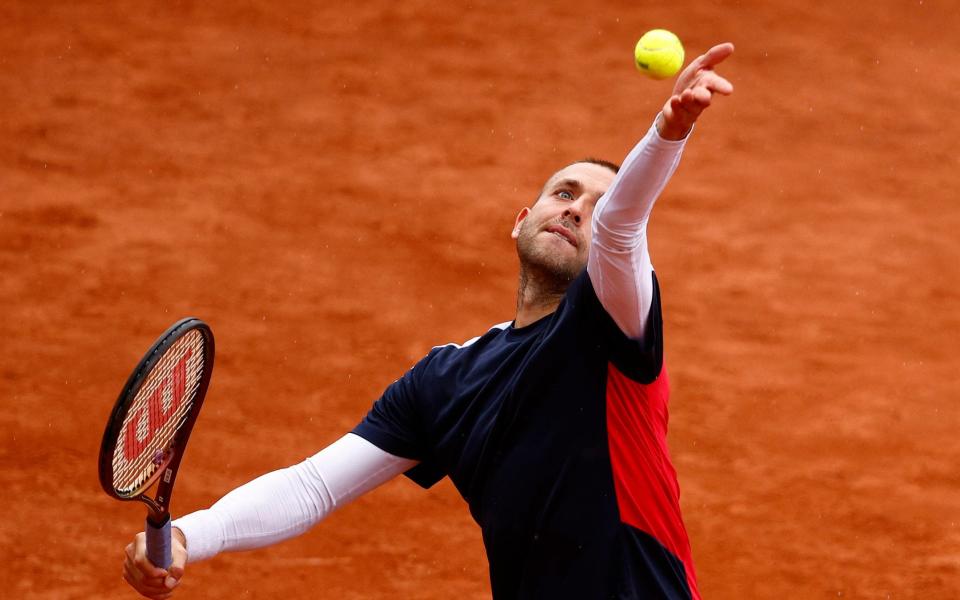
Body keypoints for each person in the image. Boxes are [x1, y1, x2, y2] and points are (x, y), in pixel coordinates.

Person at [123, 43, 734, 600]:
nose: (578, 211)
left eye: (597, 208)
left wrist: (667, 133)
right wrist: (185, 536)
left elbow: (624, 226)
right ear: (521, 220)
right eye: (565, 193)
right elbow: (313, 487)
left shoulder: (612, 324)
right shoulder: (444, 382)